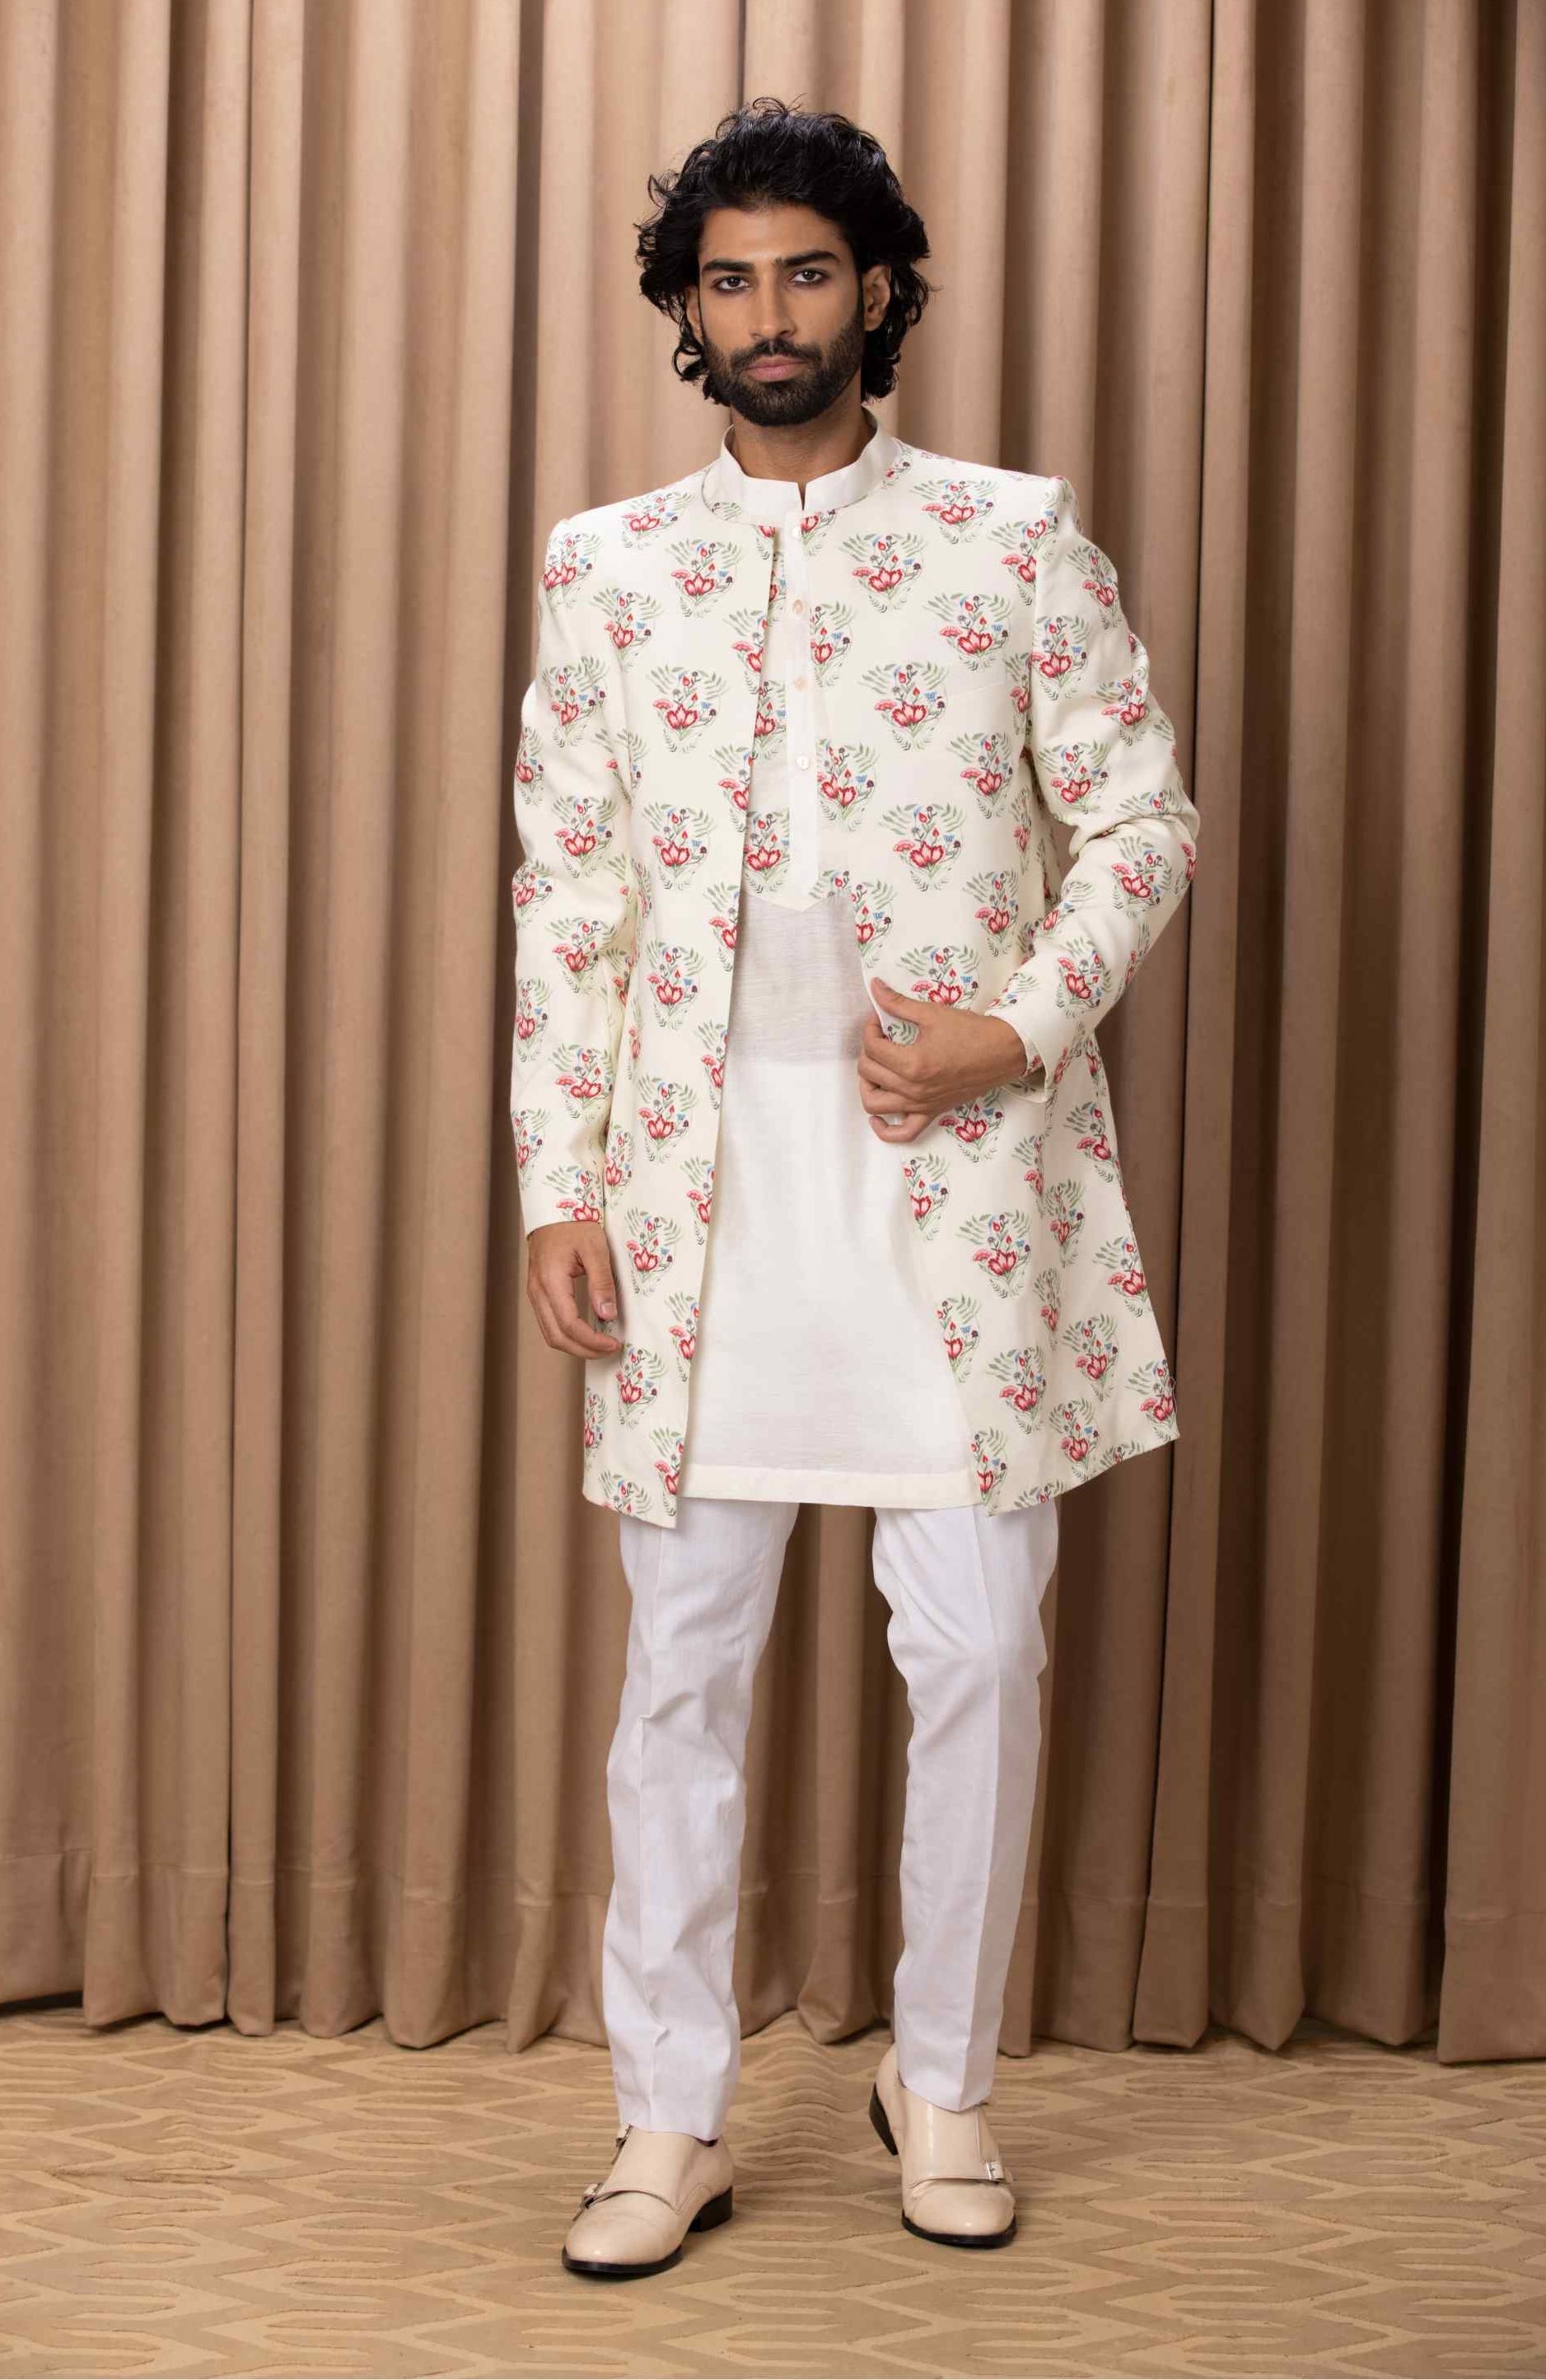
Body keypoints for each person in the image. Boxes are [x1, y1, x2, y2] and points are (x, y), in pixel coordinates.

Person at [509, 99, 1199, 2280]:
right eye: (728, 280)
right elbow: (571, 897)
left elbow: (1143, 820)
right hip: (700, 1196)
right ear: (689, 311)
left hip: (954, 1191)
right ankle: (667, 2116)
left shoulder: (1014, 539)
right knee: (680, 1676)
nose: (768, 313)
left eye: (806, 270)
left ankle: (945, 2081)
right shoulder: (609, 565)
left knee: (980, 1651)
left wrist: (1023, 1023)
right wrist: (556, 1181)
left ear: (877, 288)